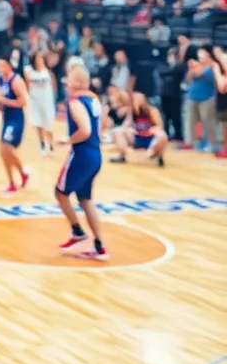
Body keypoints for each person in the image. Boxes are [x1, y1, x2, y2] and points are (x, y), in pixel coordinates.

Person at [54, 60, 109, 261]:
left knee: (60, 193)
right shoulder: (94, 100)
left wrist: (67, 140)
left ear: (75, 82)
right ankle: (99, 246)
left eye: (68, 79)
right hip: (95, 153)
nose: (65, 82)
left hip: (81, 154)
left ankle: (77, 231)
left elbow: (85, 130)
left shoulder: (75, 101)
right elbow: (103, 123)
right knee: (85, 199)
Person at [0, 57, 31, 197]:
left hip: (16, 118)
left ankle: (18, 176)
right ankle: (15, 179)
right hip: (6, 118)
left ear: (9, 66)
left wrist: (3, 101)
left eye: (1, 65)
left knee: (6, 147)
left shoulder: (16, 81)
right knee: (3, 151)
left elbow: (23, 102)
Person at [110, 91, 167, 166]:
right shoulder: (132, 111)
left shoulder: (152, 110)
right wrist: (125, 130)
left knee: (162, 135)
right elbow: (127, 123)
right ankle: (122, 155)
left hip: (150, 137)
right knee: (118, 132)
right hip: (138, 136)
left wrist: (152, 130)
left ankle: (157, 155)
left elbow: (159, 126)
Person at [24, 51, 57, 156]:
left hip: (47, 100)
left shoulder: (48, 71)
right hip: (35, 100)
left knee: (48, 125)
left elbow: (53, 85)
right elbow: (27, 85)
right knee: (38, 123)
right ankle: (42, 144)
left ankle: (50, 142)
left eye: (41, 58)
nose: (40, 60)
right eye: (38, 58)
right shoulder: (28, 70)